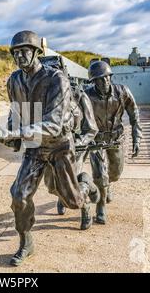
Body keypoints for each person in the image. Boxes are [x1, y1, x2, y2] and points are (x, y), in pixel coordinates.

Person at [0, 31, 99, 266]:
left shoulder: (56, 79)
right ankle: (26, 243)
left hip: (60, 146)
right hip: (35, 148)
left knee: (70, 200)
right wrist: (8, 135)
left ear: (36, 53)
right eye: (15, 53)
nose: (19, 56)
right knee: (19, 196)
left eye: (24, 51)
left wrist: (17, 133)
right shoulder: (14, 80)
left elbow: (54, 122)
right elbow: (16, 113)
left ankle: (86, 188)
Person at [85, 61, 142, 224]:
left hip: (116, 139)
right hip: (96, 141)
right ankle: (101, 205)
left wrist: (136, 138)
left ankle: (107, 186)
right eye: (100, 79)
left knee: (115, 173)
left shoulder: (122, 92)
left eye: (107, 78)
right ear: (93, 81)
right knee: (100, 175)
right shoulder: (87, 95)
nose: (105, 82)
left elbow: (134, 115)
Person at [51, 78, 99, 218]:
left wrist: (78, 143)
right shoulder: (44, 98)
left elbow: (91, 129)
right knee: (52, 185)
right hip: (52, 149)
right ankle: (63, 196)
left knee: (72, 183)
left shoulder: (78, 95)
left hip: (75, 148)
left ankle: (85, 206)